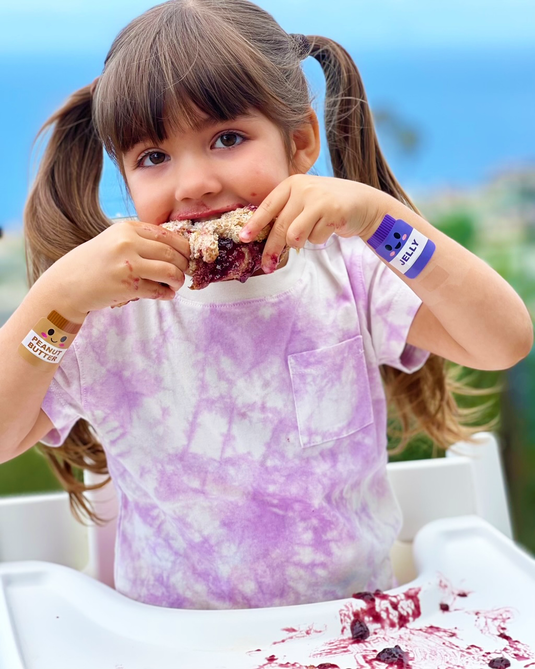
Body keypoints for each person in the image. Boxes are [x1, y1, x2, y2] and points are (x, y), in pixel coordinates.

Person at [0, 0, 532, 611]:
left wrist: (381, 221)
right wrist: (55, 299)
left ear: (301, 142)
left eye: (227, 139)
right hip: (176, 643)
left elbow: (503, 339)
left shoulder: (350, 272)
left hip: (355, 628)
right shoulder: (108, 314)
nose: (194, 182)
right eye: (154, 158)